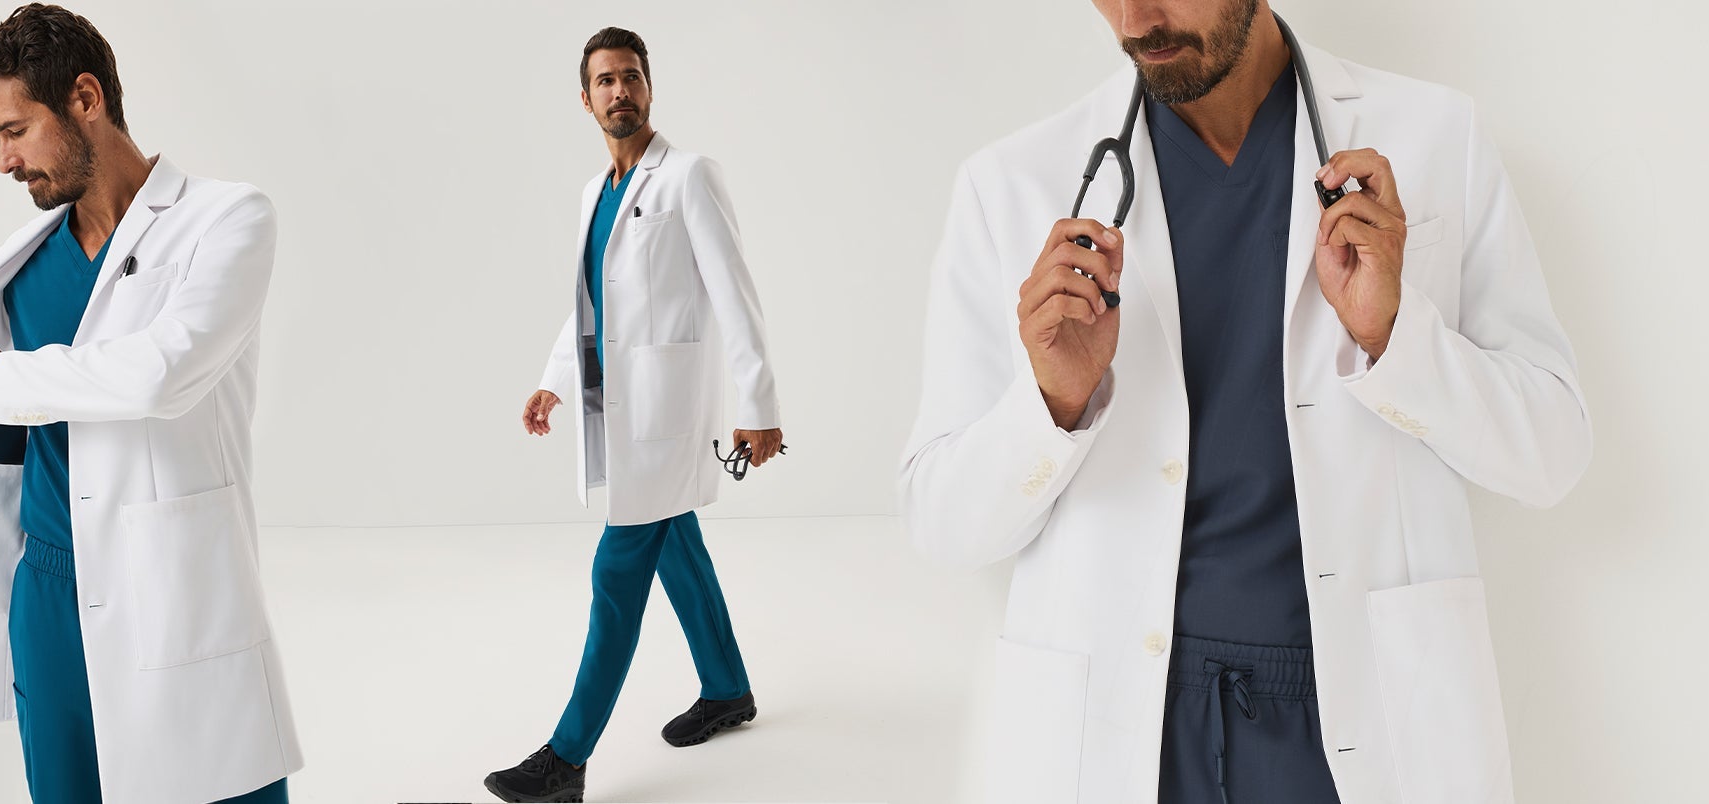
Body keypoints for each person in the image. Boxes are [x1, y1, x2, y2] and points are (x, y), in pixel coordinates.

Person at [900, 1, 1589, 801]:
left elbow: (1554, 454)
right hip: (1128, 726)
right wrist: (1052, 403)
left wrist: (1396, 337)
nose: (1136, 18)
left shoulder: (1437, 136)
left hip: (1365, 715)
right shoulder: (1012, 185)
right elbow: (941, 527)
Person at [0, 5, 298, 803]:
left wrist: (2, 375)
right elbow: (9, 418)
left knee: (222, 783)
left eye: (15, 130)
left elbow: (161, 372)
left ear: (85, 98)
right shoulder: (28, 263)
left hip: (172, 577)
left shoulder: (227, 220)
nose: (4, 161)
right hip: (45, 587)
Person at [483, 26, 789, 804]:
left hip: (668, 413)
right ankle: (727, 688)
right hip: (613, 408)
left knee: (617, 574)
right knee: (677, 544)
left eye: (631, 77)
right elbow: (591, 304)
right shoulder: (595, 193)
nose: (620, 91)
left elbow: (735, 293)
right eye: (605, 81)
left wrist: (759, 405)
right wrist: (555, 378)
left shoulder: (689, 176)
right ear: (584, 100)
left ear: (650, 87)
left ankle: (567, 756)